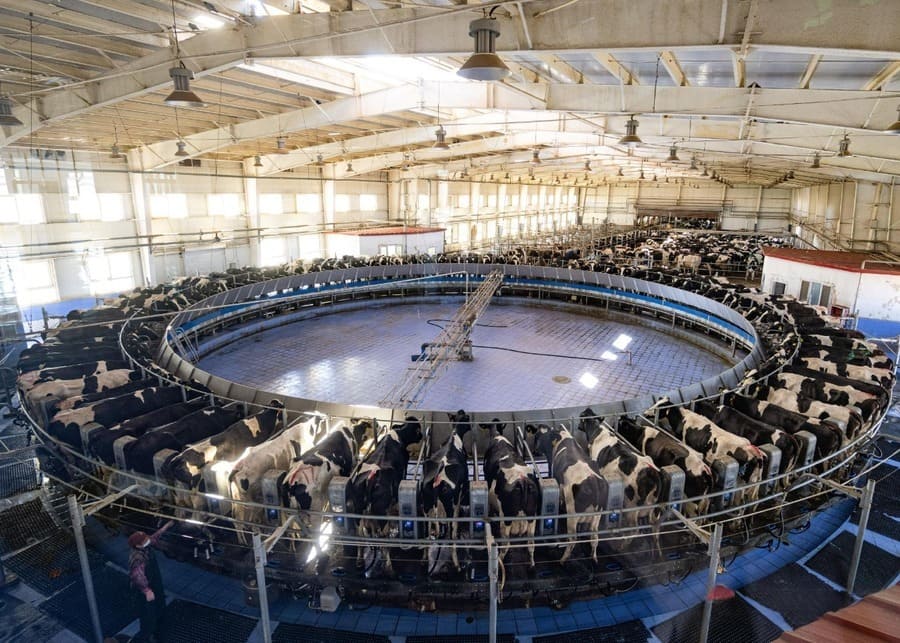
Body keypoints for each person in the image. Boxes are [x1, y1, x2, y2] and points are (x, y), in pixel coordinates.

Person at [128, 520, 174, 643]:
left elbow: (153, 538)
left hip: (155, 586)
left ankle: (158, 637)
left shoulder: (145, 545)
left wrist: (166, 527)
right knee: (148, 621)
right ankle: (142, 640)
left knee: (160, 612)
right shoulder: (138, 557)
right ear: (138, 546)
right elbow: (137, 576)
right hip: (144, 594)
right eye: (144, 540)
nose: (147, 540)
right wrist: (147, 590)